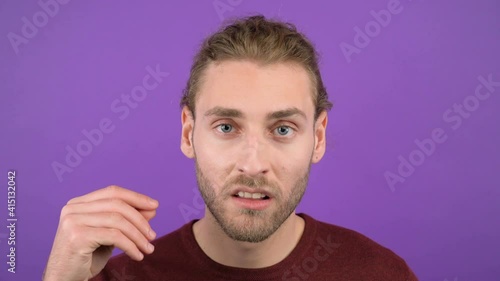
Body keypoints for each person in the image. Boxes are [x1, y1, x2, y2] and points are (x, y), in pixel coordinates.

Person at [43, 15, 419, 281]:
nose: (253, 165)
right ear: (188, 132)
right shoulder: (112, 279)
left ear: (318, 138)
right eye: (226, 127)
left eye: (283, 129)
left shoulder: (381, 274)